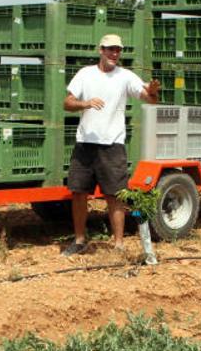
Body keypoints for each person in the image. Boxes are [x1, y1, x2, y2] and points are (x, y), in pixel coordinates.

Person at [61, 34, 160, 256]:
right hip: (85, 144)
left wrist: (153, 91)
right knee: (78, 193)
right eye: (110, 49)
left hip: (112, 145)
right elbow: (67, 103)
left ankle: (118, 244)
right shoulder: (85, 74)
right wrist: (85, 103)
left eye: (118, 50)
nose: (114, 53)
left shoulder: (126, 77)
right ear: (101, 50)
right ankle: (79, 241)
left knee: (115, 195)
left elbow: (151, 99)